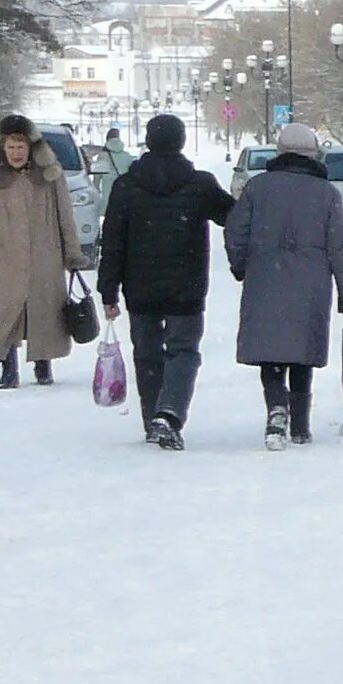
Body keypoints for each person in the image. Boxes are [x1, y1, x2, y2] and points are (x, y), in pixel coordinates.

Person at [96, 112, 235, 449]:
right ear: (182, 141)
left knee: (146, 353)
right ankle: (169, 413)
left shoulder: (126, 186)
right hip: (186, 287)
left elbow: (112, 241)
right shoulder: (199, 184)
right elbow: (233, 216)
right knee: (183, 351)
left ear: (148, 141)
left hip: (139, 287)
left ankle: (151, 419)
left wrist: (108, 289)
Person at [225, 121, 343, 449]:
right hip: (311, 284)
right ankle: (300, 425)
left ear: (280, 152)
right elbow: (339, 247)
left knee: (270, 351)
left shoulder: (258, 187)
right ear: (314, 154)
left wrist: (241, 266)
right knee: (302, 353)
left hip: (265, 279)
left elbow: (235, 232)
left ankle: (276, 408)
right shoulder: (325, 193)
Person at [0, 112, 86, 389]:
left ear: (31, 148)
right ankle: (8, 368)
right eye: (11, 147)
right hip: (4, 256)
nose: (16, 152)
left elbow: (65, 217)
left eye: (21, 146)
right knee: (8, 312)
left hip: (45, 256)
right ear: (1, 148)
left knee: (45, 311)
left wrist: (72, 254)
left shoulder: (50, 176)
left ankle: (44, 364)